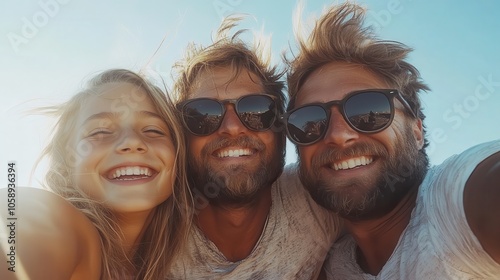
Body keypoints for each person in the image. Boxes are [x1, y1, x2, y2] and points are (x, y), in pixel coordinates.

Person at [281, 2, 500, 279]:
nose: (338, 134)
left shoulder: (453, 205)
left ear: (417, 131)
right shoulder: (330, 264)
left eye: (367, 110)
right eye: (308, 122)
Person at [169, 16, 340, 279]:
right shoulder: (156, 223)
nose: (232, 127)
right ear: (180, 134)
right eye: (202, 114)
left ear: (281, 128)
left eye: (256, 110)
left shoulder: (317, 200)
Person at [0, 69, 192, 279]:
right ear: (66, 161)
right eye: (100, 132)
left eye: (153, 130)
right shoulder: (47, 218)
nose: (132, 141)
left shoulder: (173, 267)